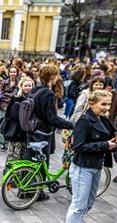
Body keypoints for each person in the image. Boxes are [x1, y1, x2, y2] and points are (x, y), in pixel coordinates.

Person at [61, 90, 117, 223]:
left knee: (89, 202)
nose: (107, 107)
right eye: (103, 104)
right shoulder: (84, 120)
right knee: (79, 203)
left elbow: (113, 132)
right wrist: (105, 145)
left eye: (108, 104)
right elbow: (78, 146)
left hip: (96, 166)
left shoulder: (103, 119)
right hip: (82, 167)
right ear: (92, 104)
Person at [23, 64, 74, 201]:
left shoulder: (35, 90)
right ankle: (38, 192)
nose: (58, 77)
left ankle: (26, 189)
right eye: (57, 75)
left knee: (30, 161)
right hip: (43, 133)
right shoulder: (49, 94)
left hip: (31, 129)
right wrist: (70, 125)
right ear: (53, 77)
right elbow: (52, 118)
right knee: (41, 163)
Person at [5, 77, 34, 161]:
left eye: (30, 85)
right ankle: (10, 173)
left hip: (26, 133)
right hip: (16, 132)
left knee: (23, 156)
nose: (28, 87)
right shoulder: (16, 98)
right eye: (25, 85)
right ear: (21, 86)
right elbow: (12, 115)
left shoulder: (33, 99)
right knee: (13, 156)